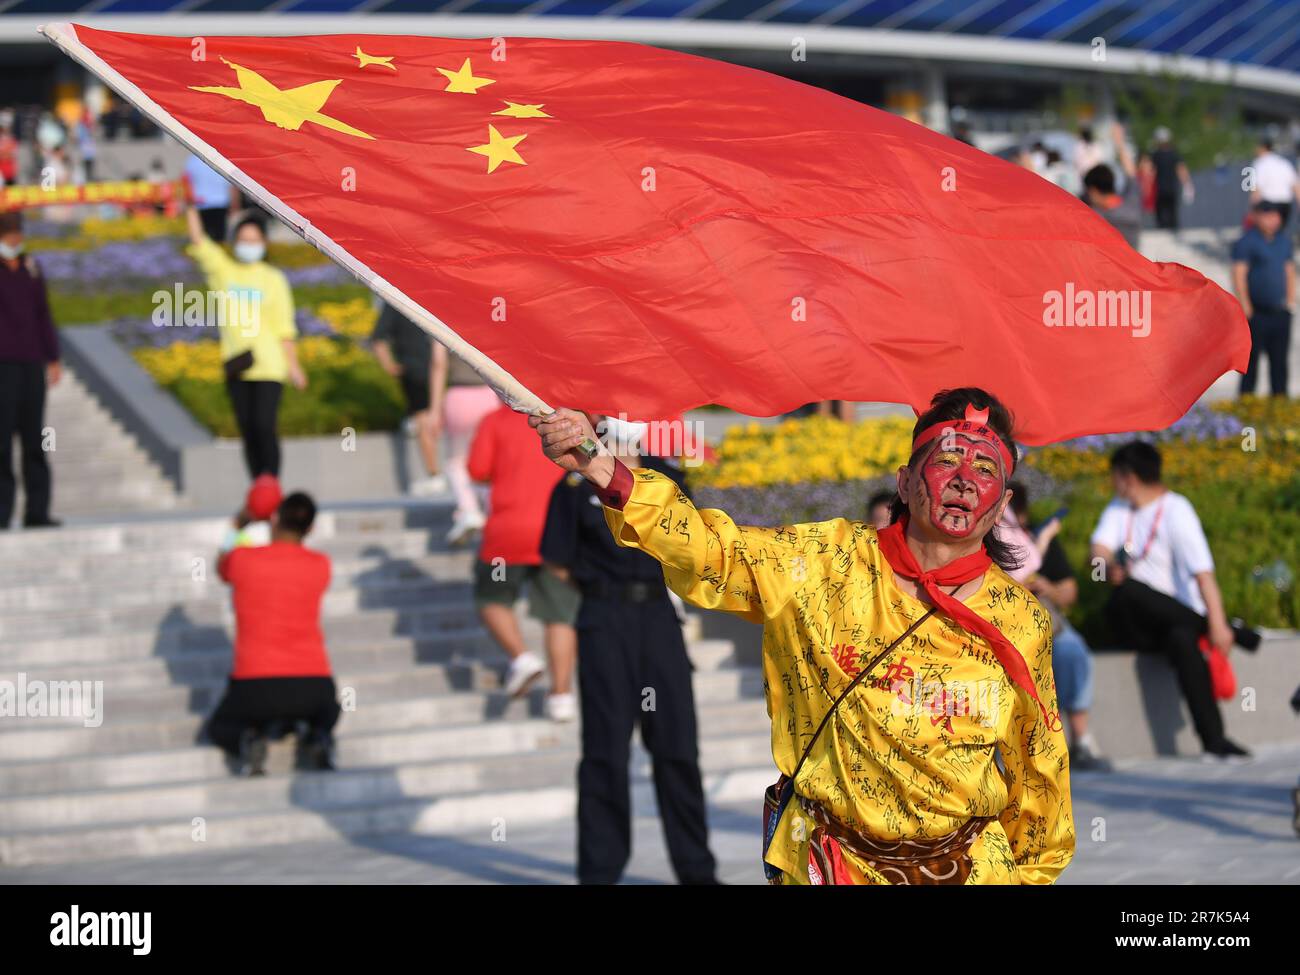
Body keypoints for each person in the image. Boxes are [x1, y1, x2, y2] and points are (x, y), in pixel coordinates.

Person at [534, 388, 1074, 885]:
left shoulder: (1019, 619)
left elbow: (1040, 774)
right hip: (833, 866)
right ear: (906, 482)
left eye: (985, 469)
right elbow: (708, 549)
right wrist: (602, 466)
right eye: (948, 460)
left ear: (1001, 504)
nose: (964, 480)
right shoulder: (821, 562)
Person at [538, 413, 719, 885]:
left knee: (678, 747)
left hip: (658, 618)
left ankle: (697, 872)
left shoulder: (668, 478)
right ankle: (599, 872)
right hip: (603, 619)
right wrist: (602, 590)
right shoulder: (576, 486)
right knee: (604, 752)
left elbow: (692, 545)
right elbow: (557, 561)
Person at [1090, 441, 1250, 760]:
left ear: (1129, 478)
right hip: (1136, 623)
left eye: (1115, 477)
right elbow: (1098, 553)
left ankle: (1214, 741)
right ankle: (1225, 628)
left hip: (1175, 622)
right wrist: (1106, 569)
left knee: (1182, 640)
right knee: (1127, 592)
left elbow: (1204, 574)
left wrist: (1217, 624)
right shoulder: (1119, 509)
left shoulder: (1177, 510)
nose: (1113, 484)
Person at [208, 483, 339, 776]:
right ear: (312, 528)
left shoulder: (242, 560)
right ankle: (317, 735)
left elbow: (221, 565)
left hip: (255, 687)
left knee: (219, 727)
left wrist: (239, 523)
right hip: (313, 684)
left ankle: (247, 740)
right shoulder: (321, 565)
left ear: (275, 518)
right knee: (330, 710)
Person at [467, 400, 579, 722]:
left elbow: (478, 470)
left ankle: (521, 658)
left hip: (509, 531)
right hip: (556, 531)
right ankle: (561, 696)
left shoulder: (494, 421)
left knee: (491, 598)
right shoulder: (562, 419)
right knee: (559, 615)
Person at [185, 205, 306, 479]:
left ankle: (271, 486)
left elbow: (284, 327)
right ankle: (258, 491)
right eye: (243, 240)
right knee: (248, 431)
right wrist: (189, 207)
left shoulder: (273, 279)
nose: (248, 246)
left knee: (264, 426)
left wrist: (294, 366)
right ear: (234, 241)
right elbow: (198, 241)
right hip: (237, 365)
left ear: (264, 243)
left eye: (254, 241)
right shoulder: (224, 272)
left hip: (270, 366)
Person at [1003, 484, 1110, 772]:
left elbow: (1069, 592)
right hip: (1006, 622)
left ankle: (1081, 739)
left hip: (1049, 619)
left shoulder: (1037, 537)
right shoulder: (990, 539)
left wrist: (1048, 587)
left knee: (1072, 651)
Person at [0, 210, 60, 529]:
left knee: (34, 439)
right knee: (2, 441)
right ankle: (2, 511)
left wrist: (52, 357)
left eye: (17, 233)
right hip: (3, 365)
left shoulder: (31, 269)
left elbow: (43, 314)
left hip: (31, 362)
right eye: (9, 234)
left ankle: (37, 511)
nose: (14, 239)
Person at [371, 302, 446, 497]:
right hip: (439, 368)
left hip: (413, 371)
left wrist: (389, 365)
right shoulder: (429, 297)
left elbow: (378, 339)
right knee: (426, 418)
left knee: (423, 420)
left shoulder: (394, 302)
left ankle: (434, 474)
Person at [435, 344, 497, 545]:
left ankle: (468, 510)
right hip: (490, 394)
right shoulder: (489, 319)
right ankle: (491, 508)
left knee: (456, 461)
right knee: (491, 459)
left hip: (459, 395)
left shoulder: (444, 319)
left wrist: (434, 409)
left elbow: (438, 363)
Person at [1231, 200, 1294, 397]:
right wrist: (1245, 305)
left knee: (1279, 364)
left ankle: (1280, 405)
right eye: (1267, 215)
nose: (1272, 220)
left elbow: (1289, 270)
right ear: (1257, 216)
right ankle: (1246, 405)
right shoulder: (1247, 242)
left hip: (1279, 311)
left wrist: (1290, 300)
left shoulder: (1284, 241)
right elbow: (1239, 273)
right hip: (1256, 312)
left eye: (1275, 215)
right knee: (1250, 363)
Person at [1082, 121, 1141, 251]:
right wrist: (1119, 143)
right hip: (1135, 269)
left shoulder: (1095, 217)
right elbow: (1131, 174)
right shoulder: (1132, 204)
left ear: (1093, 191)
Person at [183, 153, 237, 242]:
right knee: (219, 238)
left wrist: (189, 205)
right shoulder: (222, 160)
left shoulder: (192, 160)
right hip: (220, 203)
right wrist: (235, 206)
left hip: (201, 203)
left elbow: (186, 182)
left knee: (200, 239)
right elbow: (232, 185)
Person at [1249, 137, 1299, 227]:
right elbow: (1296, 187)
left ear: (1262, 148)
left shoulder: (1258, 163)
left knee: (1267, 236)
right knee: (1278, 234)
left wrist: (1253, 211)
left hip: (1268, 205)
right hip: (1285, 205)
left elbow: (1256, 189)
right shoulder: (1284, 163)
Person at [1150, 127, 1193, 230]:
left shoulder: (1155, 155)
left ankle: (1164, 231)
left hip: (1160, 189)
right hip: (1171, 188)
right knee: (1172, 212)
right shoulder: (1174, 154)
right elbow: (1181, 170)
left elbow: (1151, 172)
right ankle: (1173, 231)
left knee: (1161, 214)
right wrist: (1187, 185)